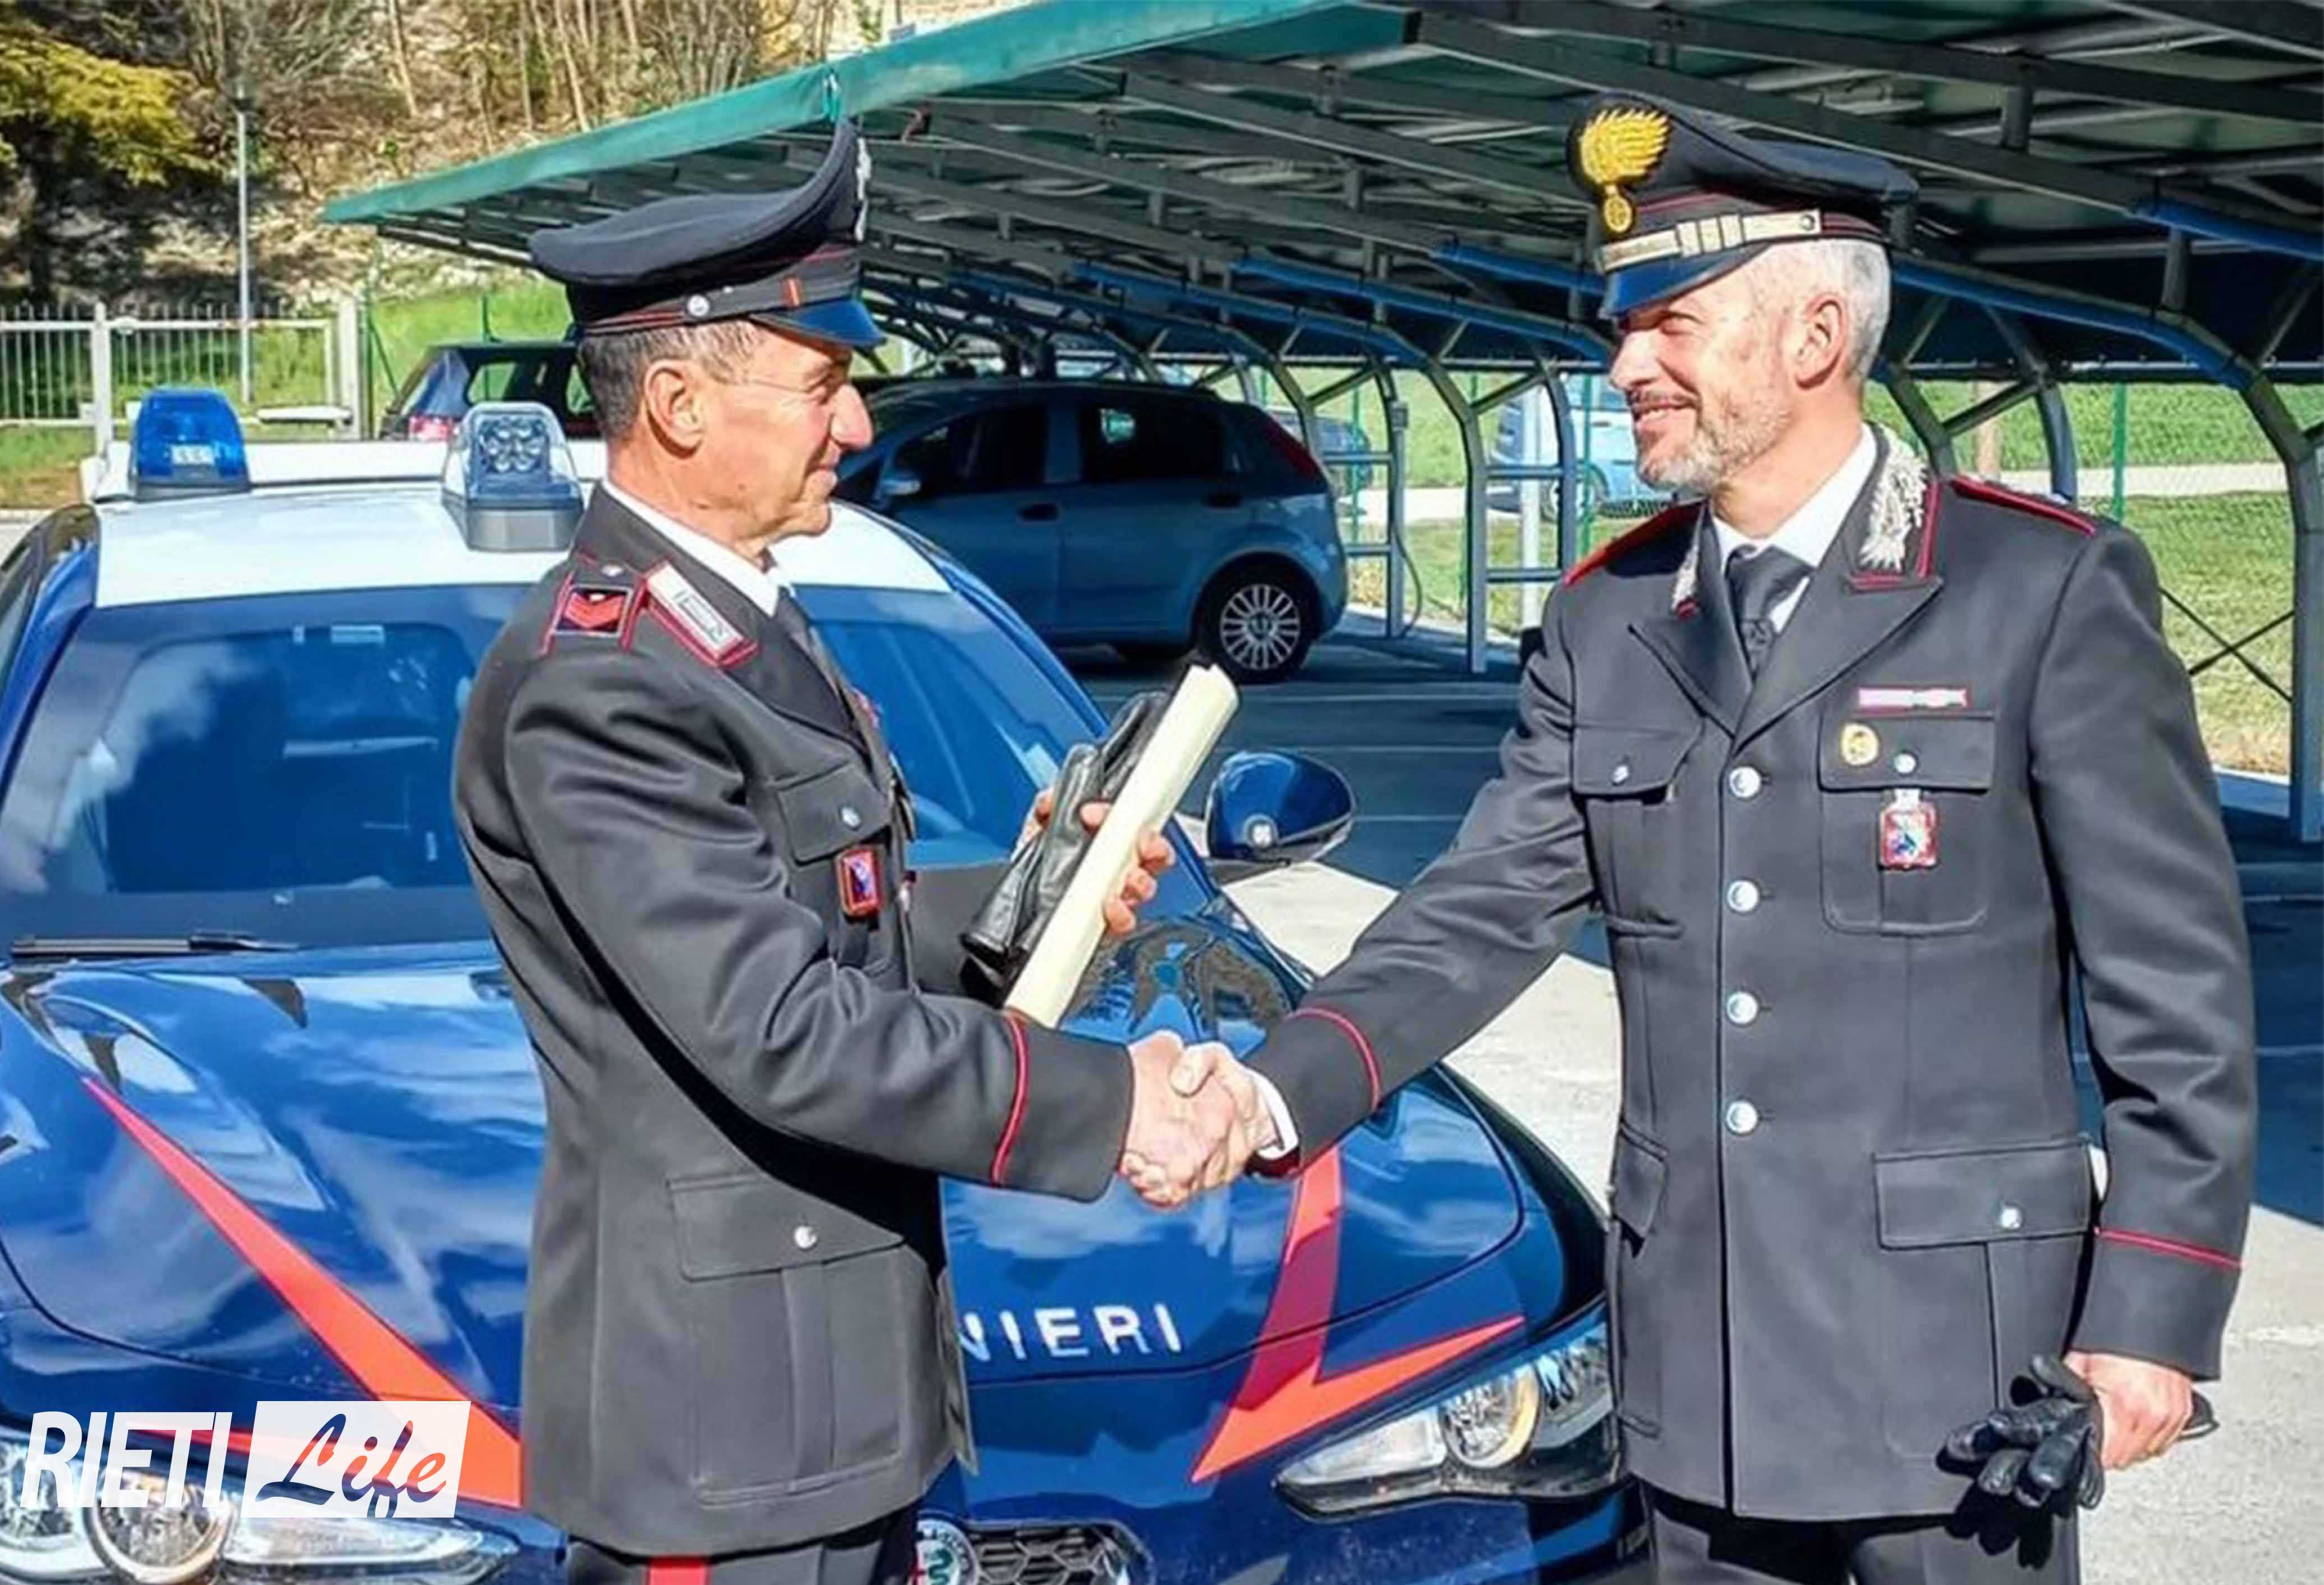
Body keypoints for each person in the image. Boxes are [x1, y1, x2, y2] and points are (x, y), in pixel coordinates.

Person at [1211, 97, 2257, 1583]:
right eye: (1620, 325)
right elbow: (1481, 907)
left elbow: (2177, 995)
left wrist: (2148, 1316)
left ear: (1814, 337)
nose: (1624, 366)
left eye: (1669, 322)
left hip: (1959, 1388)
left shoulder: (2035, 591)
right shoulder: (1610, 617)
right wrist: (1270, 1092)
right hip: (1697, 1373)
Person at [452, 121, 1264, 1585]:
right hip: (726, 1437)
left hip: (820, 1405)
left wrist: (1029, 897)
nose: (858, 424)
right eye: (824, 382)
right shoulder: (603, 682)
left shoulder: (732, 617)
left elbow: (831, 919)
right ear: (681, 404)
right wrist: (1113, 1105)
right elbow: (778, 1028)